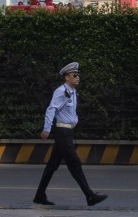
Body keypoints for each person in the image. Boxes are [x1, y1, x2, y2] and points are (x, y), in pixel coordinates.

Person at [33, 62, 108, 207]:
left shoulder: (72, 92)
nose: (78, 77)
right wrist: (47, 128)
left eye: (78, 75)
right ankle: (90, 196)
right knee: (75, 164)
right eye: (75, 75)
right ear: (67, 77)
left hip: (67, 132)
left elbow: (71, 113)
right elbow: (51, 109)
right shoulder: (62, 91)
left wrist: (75, 121)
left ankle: (39, 195)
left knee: (52, 165)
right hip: (62, 132)